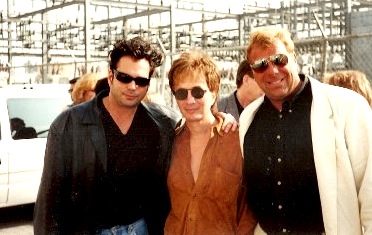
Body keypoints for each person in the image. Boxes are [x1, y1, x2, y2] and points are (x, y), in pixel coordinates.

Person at [34, 37, 237, 235]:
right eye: (125, 78)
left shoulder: (163, 123)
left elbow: (198, 121)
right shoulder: (69, 124)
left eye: (141, 81)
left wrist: (221, 118)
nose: (132, 86)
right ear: (111, 76)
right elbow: (49, 201)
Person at [239, 27, 372, 234]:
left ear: (294, 56)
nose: (272, 70)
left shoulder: (347, 107)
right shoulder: (249, 119)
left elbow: (369, 187)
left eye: (279, 59)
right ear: (252, 71)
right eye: (261, 65)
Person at [165, 51, 256, 235]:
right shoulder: (170, 142)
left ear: (214, 93)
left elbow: (249, 210)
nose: (190, 100)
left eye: (198, 92)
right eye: (181, 93)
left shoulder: (237, 141)